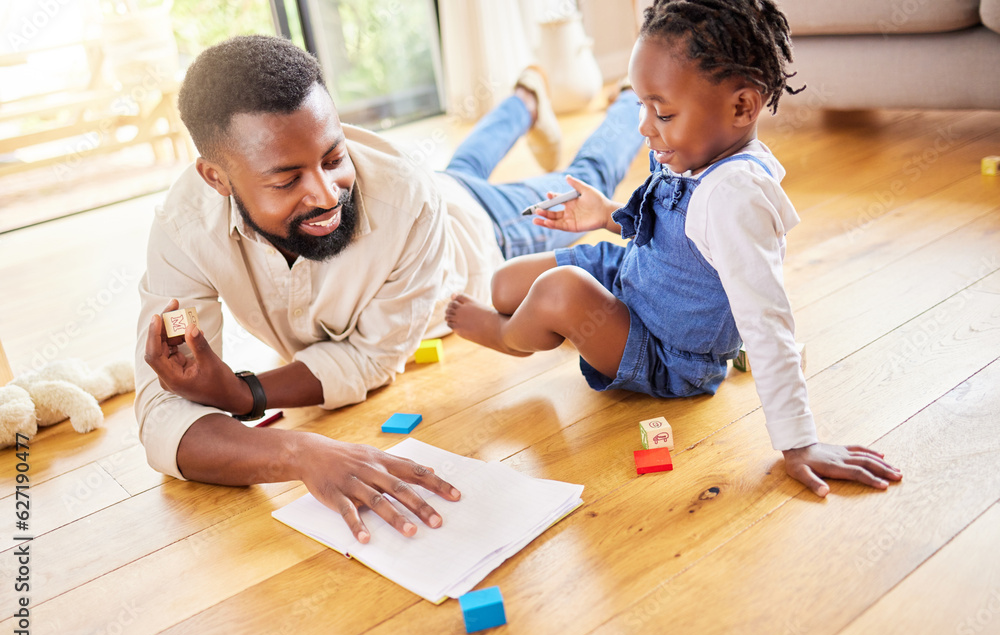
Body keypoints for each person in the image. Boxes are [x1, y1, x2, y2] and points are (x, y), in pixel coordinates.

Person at [135, 35, 645, 543]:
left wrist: (244, 393)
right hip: (439, 187)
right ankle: (527, 98)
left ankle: (628, 98)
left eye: (334, 157)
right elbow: (162, 418)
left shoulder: (407, 199)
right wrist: (298, 452)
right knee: (464, 166)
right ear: (216, 178)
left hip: (481, 232)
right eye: (288, 181)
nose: (326, 193)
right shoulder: (184, 229)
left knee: (582, 178)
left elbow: (369, 358)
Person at [446, 0, 902, 496]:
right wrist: (606, 215)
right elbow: (675, 236)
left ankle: (508, 336)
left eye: (661, 111)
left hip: (668, 351)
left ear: (742, 108)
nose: (645, 125)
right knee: (505, 281)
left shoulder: (737, 198)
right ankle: (541, 321)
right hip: (635, 277)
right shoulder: (695, 147)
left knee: (557, 291)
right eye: (641, 106)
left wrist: (799, 443)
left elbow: (767, 321)